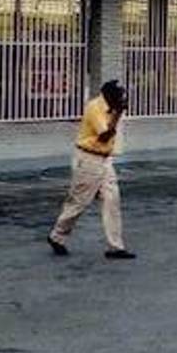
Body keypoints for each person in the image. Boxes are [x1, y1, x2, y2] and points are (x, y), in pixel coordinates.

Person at [47, 80, 136, 259]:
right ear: (109, 95)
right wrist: (117, 115)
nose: (121, 99)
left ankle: (115, 247)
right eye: (119, 96)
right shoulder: (95, 108)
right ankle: (57, 236)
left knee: (112, 201)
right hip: (88, 159)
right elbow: (104, 136)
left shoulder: (111, 107)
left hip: (105, 161)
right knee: (79, 202)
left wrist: (117, 112)